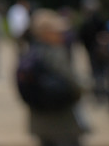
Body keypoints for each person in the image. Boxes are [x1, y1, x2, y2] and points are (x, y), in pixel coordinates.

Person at [19, 8, 87, 146]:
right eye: (58, 30)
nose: (62, 34)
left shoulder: (31, 53)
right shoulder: (55, 53)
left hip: (39, 120)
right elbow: (73, 83)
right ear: (46, 32)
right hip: (62, 120)